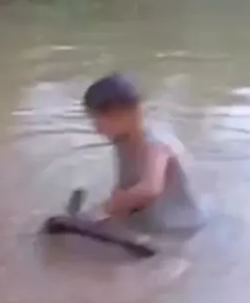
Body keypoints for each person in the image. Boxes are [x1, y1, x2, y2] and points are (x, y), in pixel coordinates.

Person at [82, 73, 204, 236]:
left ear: (133, 113)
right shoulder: (122, 142)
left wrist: (106, 208)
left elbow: (150, 189)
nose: (97, 128)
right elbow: (125, 188)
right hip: (149, 221)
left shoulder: (156, 143)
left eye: (101, 120)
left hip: (179, 227)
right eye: (94, 120)